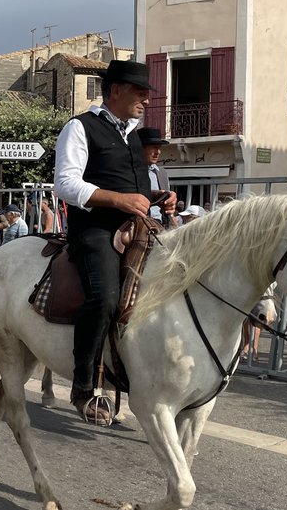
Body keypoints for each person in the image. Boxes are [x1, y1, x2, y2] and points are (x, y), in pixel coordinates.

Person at [54, 58, 176, 425]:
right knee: (105, 298)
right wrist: (118, 200)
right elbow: (66, 183)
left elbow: (134, 190)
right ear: (117, 90)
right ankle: (84, 387)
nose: (147, 100)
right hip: (96, 230)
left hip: (140, 228)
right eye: (141, 92)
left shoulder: (134, 135)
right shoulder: (79, 127)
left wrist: (157, 198)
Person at [139, 127, 173, 228]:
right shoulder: (129, 172)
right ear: (141, 148)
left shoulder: (161, 173)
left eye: (159, 148)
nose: (158, 152)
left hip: (160, 226)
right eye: (154, 147)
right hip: (139, 226)